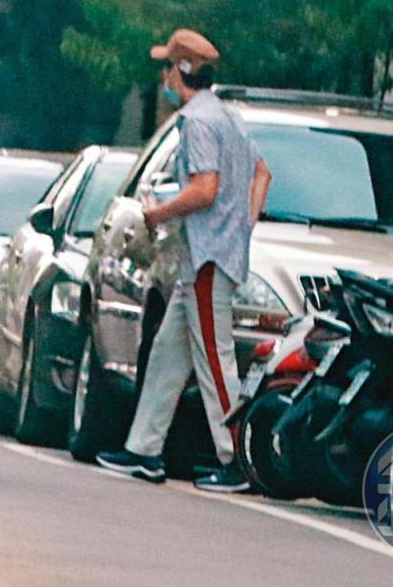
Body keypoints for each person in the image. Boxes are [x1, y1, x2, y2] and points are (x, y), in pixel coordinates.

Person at [96, 29, 272, 491]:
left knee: (215, 360)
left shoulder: (197, 122)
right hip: (210, 255)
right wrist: (244, 224)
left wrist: (158, 212)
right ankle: (143, 449)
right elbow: (261, 173)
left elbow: (205, 189)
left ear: (184, 71)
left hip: (207, 258)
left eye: (168, 68)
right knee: (166, 358)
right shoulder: (227, 118)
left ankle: (236, 458)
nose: (164, 77)